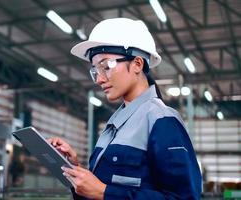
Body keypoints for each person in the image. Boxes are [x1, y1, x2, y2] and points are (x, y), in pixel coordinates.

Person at [48, 18, 202, 199]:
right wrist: (77, 171)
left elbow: (183, 198)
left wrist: (104, 192)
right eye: (95, 70)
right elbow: (100, 188)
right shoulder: (114, 124)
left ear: (137, 64)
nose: (99, 79)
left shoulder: (162, 120)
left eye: (106, 66)